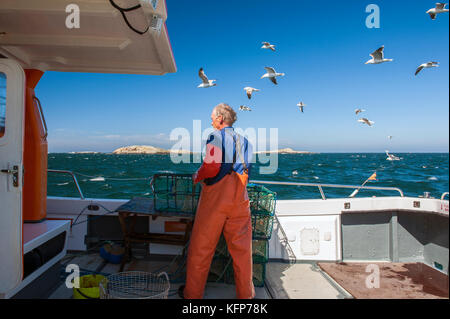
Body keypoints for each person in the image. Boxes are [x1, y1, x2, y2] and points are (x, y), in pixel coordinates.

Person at [180, 103, 255, 299]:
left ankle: (192, 295)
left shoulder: (215, 137)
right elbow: (246, 171)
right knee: (243, 252)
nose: (210, 121)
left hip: (216, 199)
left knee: (201, 249)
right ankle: (246, 296)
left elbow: (212, 168)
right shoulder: (245, 141)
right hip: (240, 198)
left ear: (220, 119)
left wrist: (197, 175)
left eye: (212, 117)